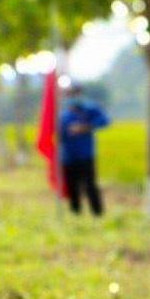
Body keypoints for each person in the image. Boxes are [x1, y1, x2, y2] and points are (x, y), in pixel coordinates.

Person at [59, 83, 110, 216]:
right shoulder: (63, 115)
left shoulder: (89, 109)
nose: (71, 96)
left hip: (86, 155)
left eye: (74, 93)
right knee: (72, 186)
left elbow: (104, 121)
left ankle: (97, 213)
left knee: (90, 185)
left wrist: (86, 127)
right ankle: (75, 212)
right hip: (68, 156)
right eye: (69, 94)